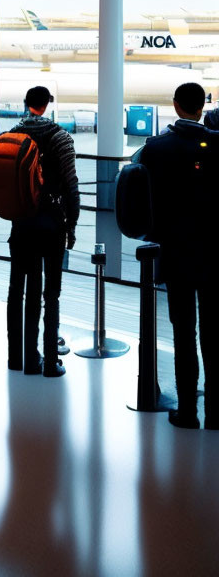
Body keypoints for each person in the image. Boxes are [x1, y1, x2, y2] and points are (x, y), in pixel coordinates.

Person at [135, 82, 218, 429]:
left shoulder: (155, 149)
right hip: (214, 254)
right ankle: (216, 412)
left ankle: (187, 411)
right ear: (203, 106)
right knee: (215, 334)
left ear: (175, 105)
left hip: (175, 254)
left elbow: (140, 199)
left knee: (183, 333)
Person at [0, 86, 79, 377]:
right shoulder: (60, 138)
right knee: (50, 294)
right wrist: (72, 225)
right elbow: (71, 185)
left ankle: (19, 358)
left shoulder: (10, 136)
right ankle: (49, 361)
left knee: (18, 290)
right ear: (46, 105)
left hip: (20, 224)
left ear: (26, 103)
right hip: (51, 224)